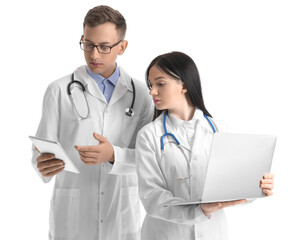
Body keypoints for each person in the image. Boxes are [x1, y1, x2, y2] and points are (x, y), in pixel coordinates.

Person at [31, 5, 153, 240]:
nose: (94, 54)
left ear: (122, 47)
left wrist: (113, 155)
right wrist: (42, 164)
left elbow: (148, 160)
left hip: (121, 214)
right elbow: (40, 151)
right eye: (88, 45)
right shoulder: (58, 90)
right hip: (73, 216)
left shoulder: (142, 94)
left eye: (104, 47)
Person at [135, 51, 274, 240]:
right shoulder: (149, 136)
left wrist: (257, 186)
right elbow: (152, 198)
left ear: (183, 85)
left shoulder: (218, 129)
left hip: (212, 232)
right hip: (166, 234)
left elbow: (233, 187)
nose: (152, 91)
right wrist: (199, 210)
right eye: (151, 85)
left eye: (160, 83)